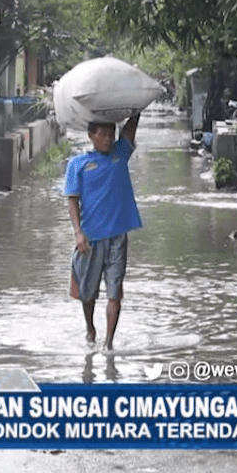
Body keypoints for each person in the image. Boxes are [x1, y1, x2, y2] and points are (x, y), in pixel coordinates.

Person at [64, 112, 143, 350]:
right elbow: (72, 200)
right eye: (104, 135)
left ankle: (108, 344)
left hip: (118, 236)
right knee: (87, 295)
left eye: (111, 135)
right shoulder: (77, 165)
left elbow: (129, 131)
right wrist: (78, 233)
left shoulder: (120, 154)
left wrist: (136, 111)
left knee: (114, 292)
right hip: (91, 239)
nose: (109, 140)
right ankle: (90, 328)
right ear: (91, 136)